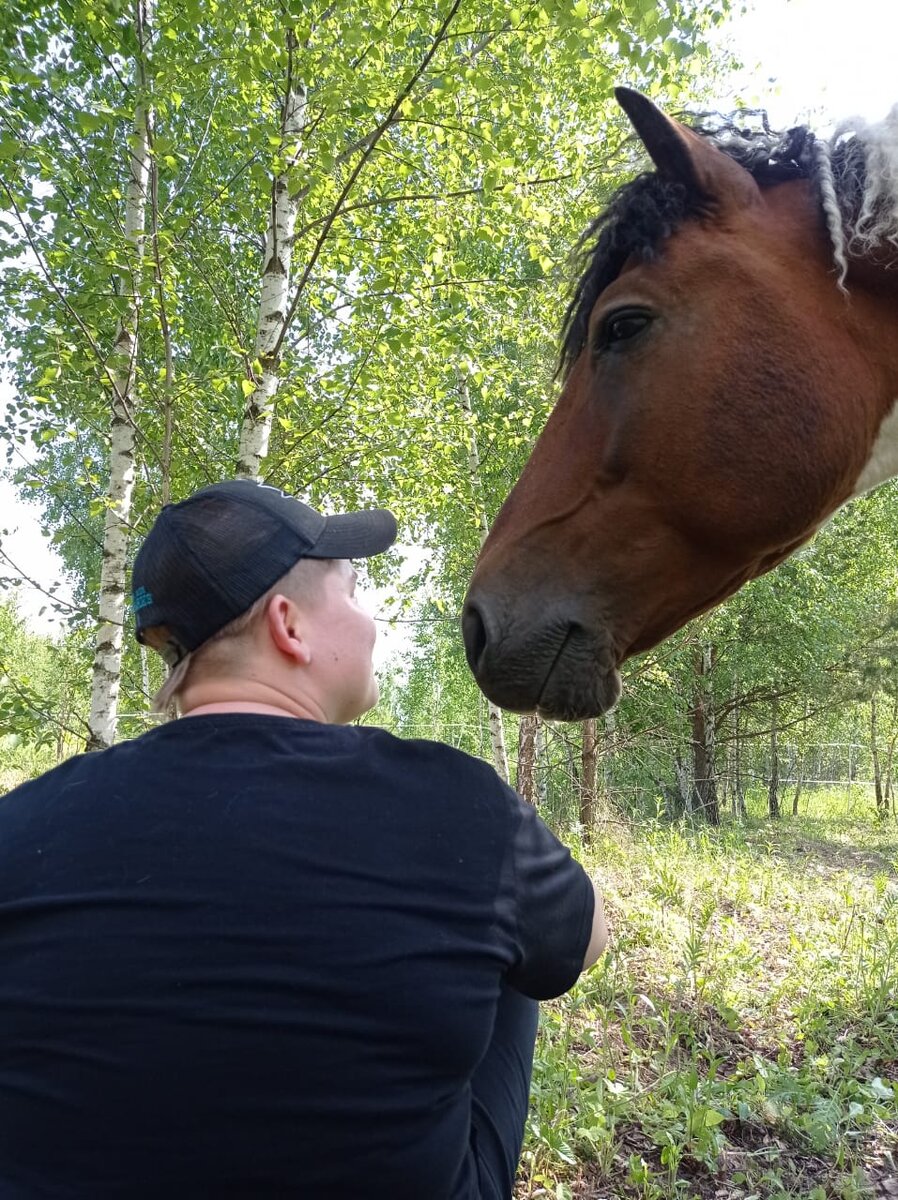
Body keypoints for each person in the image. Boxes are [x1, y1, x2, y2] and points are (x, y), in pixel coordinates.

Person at [0, 478, 608, 1200]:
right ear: (288, 625)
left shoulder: (22, 824)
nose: (370, 620)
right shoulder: (460, 809)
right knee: (522, 932)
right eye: (352, 592)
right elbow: (589, 940)